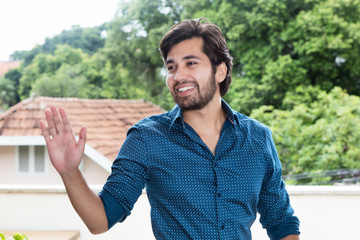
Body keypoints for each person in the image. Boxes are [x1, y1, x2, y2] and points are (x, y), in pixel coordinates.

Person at [40, 18, 300, 240]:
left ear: (220, 71)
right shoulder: (146, 138)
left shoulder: (257, 138)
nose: (178, 76)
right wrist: (70, 172)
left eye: (191, 63)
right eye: (171, 67)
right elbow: (101, 220)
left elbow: (281, 221)